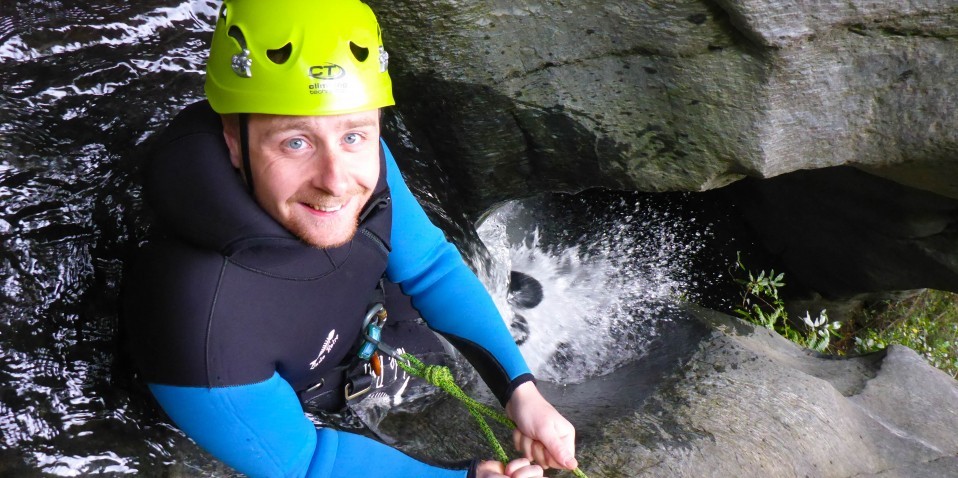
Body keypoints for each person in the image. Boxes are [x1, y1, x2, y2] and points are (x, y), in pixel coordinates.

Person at [120, 1, 577, 477]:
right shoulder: (200, 328)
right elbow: (308, 463)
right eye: (295, 142)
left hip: (360, 318)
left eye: (354, 136)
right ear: (234, 141)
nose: (336, 181)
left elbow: (430, 268)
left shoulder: (360, 156)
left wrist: (522, 392)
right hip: (290, 396)